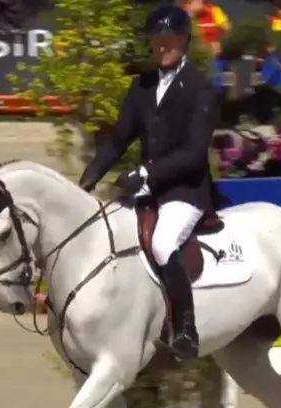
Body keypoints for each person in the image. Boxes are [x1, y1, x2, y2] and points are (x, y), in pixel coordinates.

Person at [78, 4, 219, 359]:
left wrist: (145, 174)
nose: (163, 46)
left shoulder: (199, 89)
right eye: (157, 40)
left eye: (170, 39)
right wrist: (87, 181)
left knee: (162, 243)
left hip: (185, 191)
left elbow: (194, 152)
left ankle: (185, 329)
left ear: (184, 41)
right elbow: (118, 142)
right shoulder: (141, 86)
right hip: (149, 192)